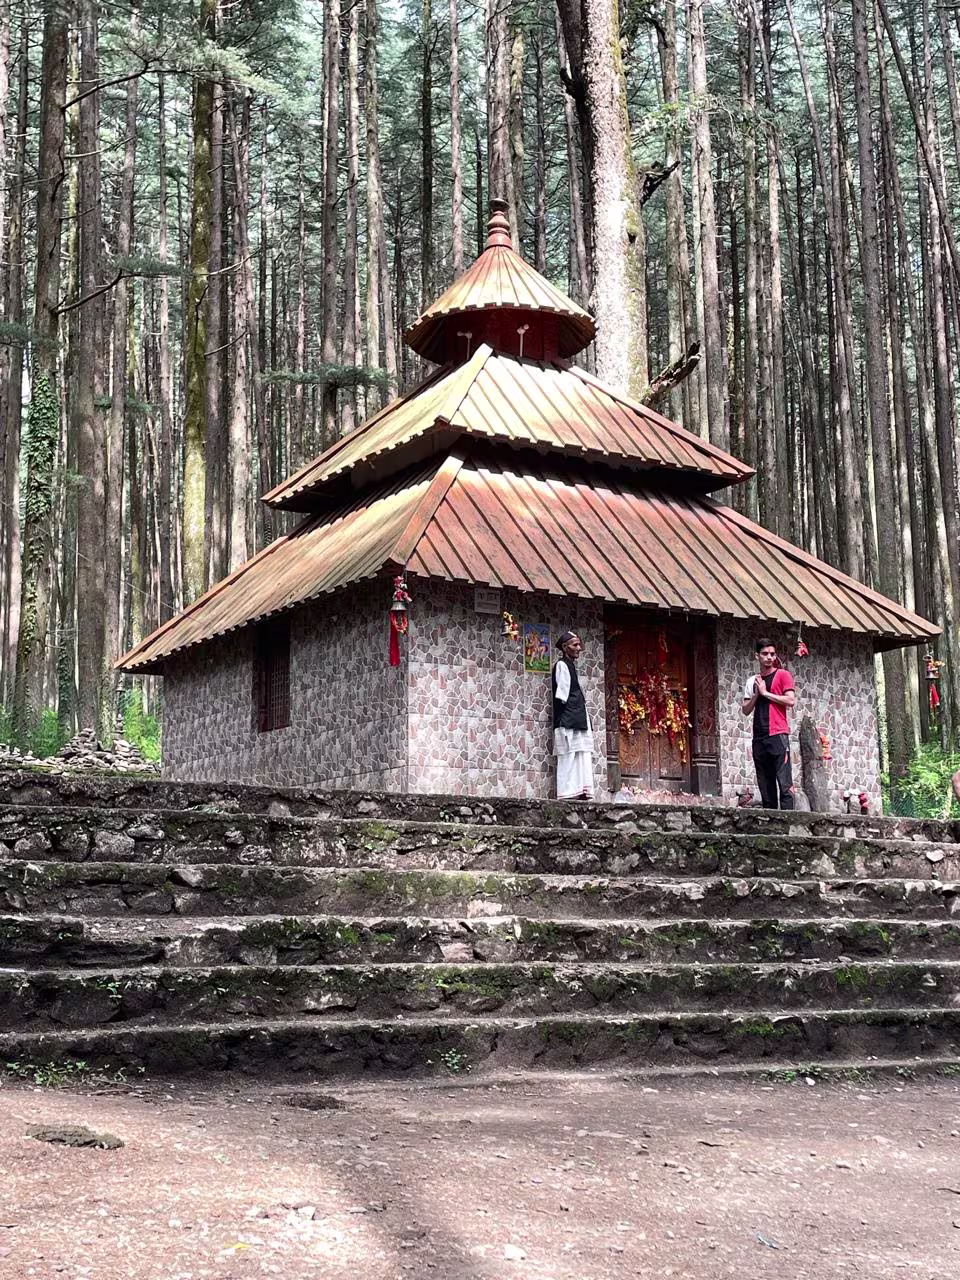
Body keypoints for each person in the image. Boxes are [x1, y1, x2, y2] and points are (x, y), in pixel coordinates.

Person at [741, 637, 796, 810]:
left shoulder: (783, 675)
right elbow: (745, 709)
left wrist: (766, 693)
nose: (769, 657)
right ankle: (771, 825)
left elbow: (790, 700)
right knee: (765, 784)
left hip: (778, 734)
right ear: (757, 656)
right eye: (765, 654)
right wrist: (757, 694)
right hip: (759, 737)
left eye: (772, 654)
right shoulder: (752, 681)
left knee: (784, 782)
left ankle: (790, 825)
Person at [552, 631, 594, 800]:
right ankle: (567, 793)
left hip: (576, 717)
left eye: (579, 644)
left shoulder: (570, 665)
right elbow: (562, 694)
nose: (579, 648)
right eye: (575, 645)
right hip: (568, 719)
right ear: (564, 647)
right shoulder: (562, 665)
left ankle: (580, 790)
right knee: (568, 755)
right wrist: (566, 718)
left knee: (581, 754)